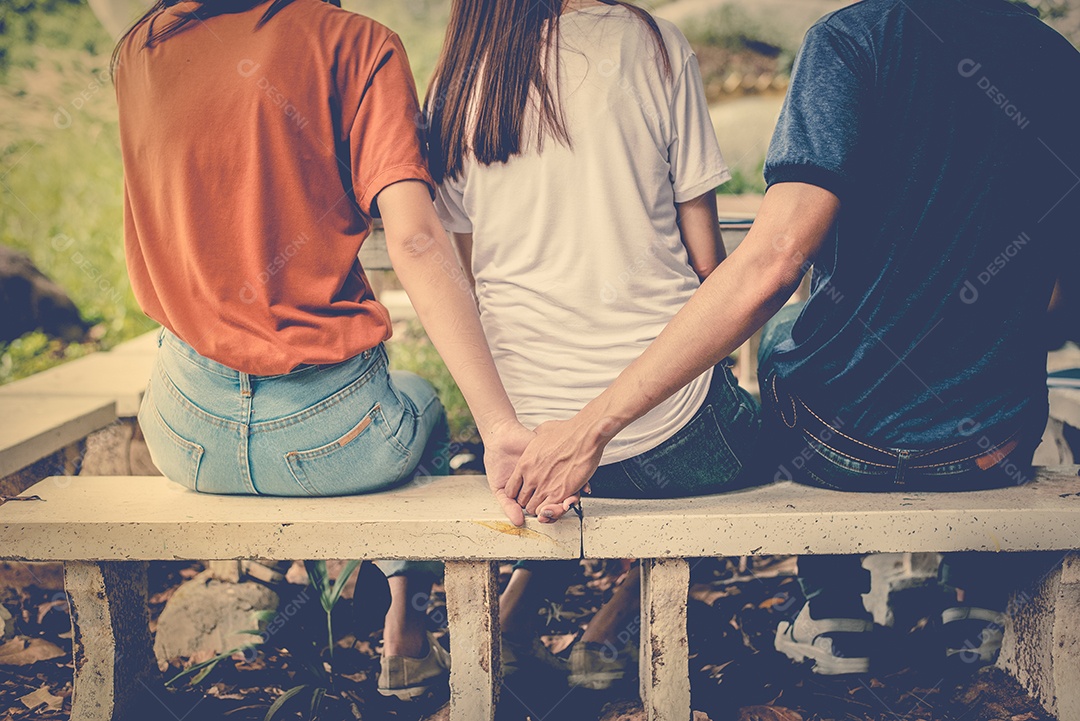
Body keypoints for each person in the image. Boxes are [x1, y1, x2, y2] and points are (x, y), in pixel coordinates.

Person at [507, 0, 1080, 676]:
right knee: (995, 355)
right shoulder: (1056, 61)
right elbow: (1060, 305)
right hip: (990, 451)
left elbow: (776, 259)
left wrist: (593, 425)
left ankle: (832, 611)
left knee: (786, 335)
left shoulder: (851, 43)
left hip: (844, 448)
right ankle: (974, 603)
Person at [112, 0, 533, 700]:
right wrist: (499, 427)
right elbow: (417, 238)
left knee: (351, 421)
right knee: (423, 404)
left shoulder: (140, 49)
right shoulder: (358, 45)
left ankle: (309, 579)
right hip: (334, 440)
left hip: (185, 432)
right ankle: (402, 628)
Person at [420, 0, 761, 692]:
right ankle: (615, 622)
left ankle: (519, 610)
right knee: (768, 430)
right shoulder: (655, 45)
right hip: (669, 441)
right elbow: (709, 269)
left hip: (525, 447)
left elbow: (467, 278)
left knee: (585, 454)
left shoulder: (457, 76)